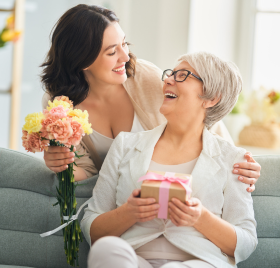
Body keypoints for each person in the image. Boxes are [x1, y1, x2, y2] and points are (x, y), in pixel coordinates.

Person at [41, 4, 260, 189]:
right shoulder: (59, 105)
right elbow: (87, 173)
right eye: (111, 52)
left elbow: (202, 118)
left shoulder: (145, 77)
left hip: (173, 187)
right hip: (122, 197)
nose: (125, 56)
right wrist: (62, 165)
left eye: (124, 43)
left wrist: (239, 162)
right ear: (82, 60)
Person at [81, 52, 257, 268]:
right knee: (106, 250)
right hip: (134, 262)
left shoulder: (234, 159)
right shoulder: (126, 145)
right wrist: (129, 212)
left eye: (183, 75)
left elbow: (245, 243)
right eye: (170, 74)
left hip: (201, 265)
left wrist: (200, 218)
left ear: (211, 98)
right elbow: (91, 226)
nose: (168, 80)